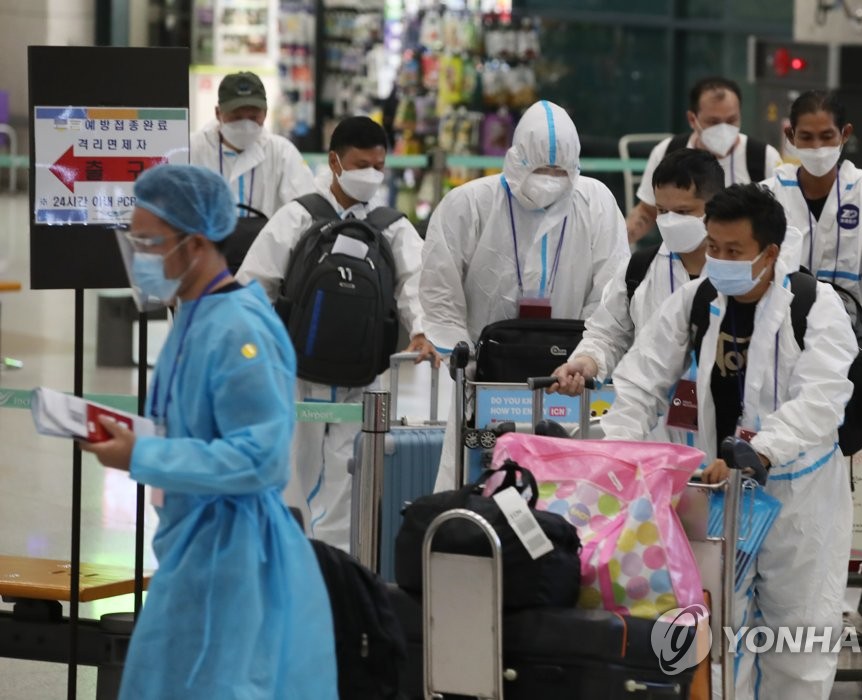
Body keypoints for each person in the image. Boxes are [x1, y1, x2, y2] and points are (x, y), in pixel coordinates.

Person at [80, 164, 337, 699]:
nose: (140, 254)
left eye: (149, 241)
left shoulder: (241, 327)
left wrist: (143, 456)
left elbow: (261, 459)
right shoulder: (192, 317)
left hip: (236, 558)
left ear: (194, 243)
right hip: (192, 547)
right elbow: (186, 425)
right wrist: (130, 437)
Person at [602, 183, 857, 700]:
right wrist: (613, 447)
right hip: (720, 499)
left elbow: (825, 397)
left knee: (798, 641)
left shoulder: (815, 305)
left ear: (770, 253)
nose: (718, 260)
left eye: (733, 251)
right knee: (717, 640)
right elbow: (640, 377)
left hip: (797, 497)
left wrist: (763, 447)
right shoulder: (698, 298)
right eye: (712, 247)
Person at [237, 116, 438, 550]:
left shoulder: (392, 227)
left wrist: (423, 330)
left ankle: (337, 564)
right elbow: (253, 285)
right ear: (334, 161)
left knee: (352, 472)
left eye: (378, 166)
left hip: (365, 373)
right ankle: (288, 555)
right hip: (298, 370)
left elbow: (416, 284)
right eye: (361, 163)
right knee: (292, 468)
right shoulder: (299, 217)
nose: (371, 174)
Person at [420, 99, 630, 490]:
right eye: (539, 169)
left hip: (568, 382)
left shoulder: (596, 202)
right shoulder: (469, 205)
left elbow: (611, 295)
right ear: (516, 160)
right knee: (478, 486)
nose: (549, 179)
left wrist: (587, 358)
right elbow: (439, 292)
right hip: (486, 383)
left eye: (559, 171)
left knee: (568, 494)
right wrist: (464, 360)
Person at [548, 148, 724, 406]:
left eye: (684, 212)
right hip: (651, 429)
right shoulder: (639, 271)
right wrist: (587, 362)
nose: (671, 222)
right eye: (663, 211)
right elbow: (607, 335)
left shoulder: (740, 275)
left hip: (725, 431)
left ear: (715, 207)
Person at [765, 90, 862, 367]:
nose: (817, 147)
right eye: (806, 137)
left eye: (827, 136)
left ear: (845, 134)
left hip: (850, 337)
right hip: (780, 336)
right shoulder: (768, 193)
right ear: (790, 136)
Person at [626, 77, 783, 244]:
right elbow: (647, 210)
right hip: (680, 259)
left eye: (731, 120)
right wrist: (624, 238)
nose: (723, 129)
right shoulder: (668, 152)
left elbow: (780, 221)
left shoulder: (763, 157)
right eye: (713, 122)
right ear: (692, 119)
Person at [191, 71, 316, 219]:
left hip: (267, 241)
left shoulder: (282, 152)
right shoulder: (193, 148)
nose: (246, 125)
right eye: (236, 117)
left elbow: (306, 210)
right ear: (218, 113)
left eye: (253, 117)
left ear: (265, 113)